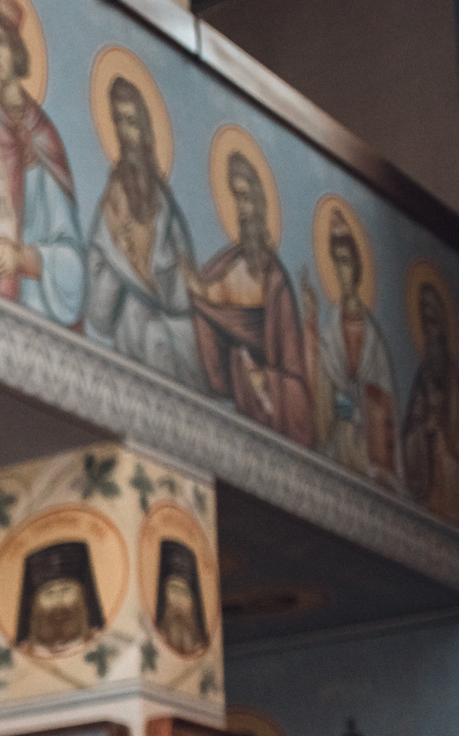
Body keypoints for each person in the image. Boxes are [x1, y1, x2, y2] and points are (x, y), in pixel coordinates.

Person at [0, 0, 83, 324]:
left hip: (33, 304)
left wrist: (23, 260)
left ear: (15, 46)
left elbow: (72, 261)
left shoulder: (43, 137)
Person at [83, 78, 202, 390]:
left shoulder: (166, 207)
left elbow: (186, 298)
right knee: (146, 336)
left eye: (132, 122)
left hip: (174, 335)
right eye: (119, 122)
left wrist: (166, 274)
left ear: (146, 130)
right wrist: (117, 261)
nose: (125, 133)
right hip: (133, 335)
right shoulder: (111, 205)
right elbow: (99, 316)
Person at [189, 148, 314, 446]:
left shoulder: (275, 282)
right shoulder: (226, 264)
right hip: (232, 400)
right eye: (237, 198)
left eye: (247, 198)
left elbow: (295, 380)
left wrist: (263, 379)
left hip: (266, 403)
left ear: (260, 202)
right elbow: (202, 300)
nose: (243, 209)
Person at [308, 211, 399, 486]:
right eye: (335, 262)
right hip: (337, 440)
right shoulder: (331, 329)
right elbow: (321, 381)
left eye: (345, 262)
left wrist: (361, 403)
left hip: (367, 445)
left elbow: (385, 399)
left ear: (357, 267)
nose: (340, 271)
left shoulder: (375, 341)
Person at [402, 277, 459, 531]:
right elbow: (410, 432)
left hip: (451, 488)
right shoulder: (422, 377)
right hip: (429, 488)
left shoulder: (456, 388)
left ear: (443, 327)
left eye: (433, 320)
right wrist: (422, 431)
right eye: (424, 322)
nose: (429, 329)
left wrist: (443, 445)